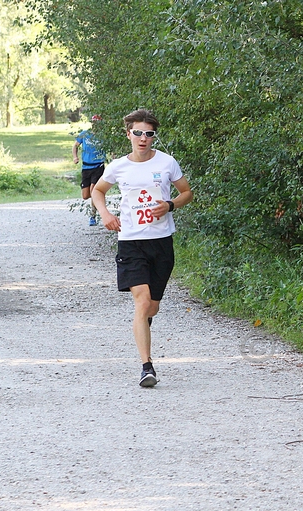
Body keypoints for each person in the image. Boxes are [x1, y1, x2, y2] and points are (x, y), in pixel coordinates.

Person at [91, 109, 193, 388]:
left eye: (149, 134)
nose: (143, 138)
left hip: (161, 242)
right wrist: (106, 214)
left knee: (152, 308)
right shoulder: (118, 166)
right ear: (129, 134)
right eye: (138, 133)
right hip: (130, 241)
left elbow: (186, 193)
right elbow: (97, 191)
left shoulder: (167, 162)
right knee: (143, 301)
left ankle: (141, 327)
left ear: (153, 137)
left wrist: (170, 205)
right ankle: (147, 367)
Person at [73, 115, 108, 226]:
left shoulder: (103, 136)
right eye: (94, 122)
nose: (95, 125)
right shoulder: (84, 134)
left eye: (98, 123)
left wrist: (114, 158)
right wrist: (75, 157)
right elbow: (75, 146)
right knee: (85, 195)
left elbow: (110, 148)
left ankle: (92, 216)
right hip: (86, 167)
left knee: (94, 191)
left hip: (98, 166)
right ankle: (99, 198)